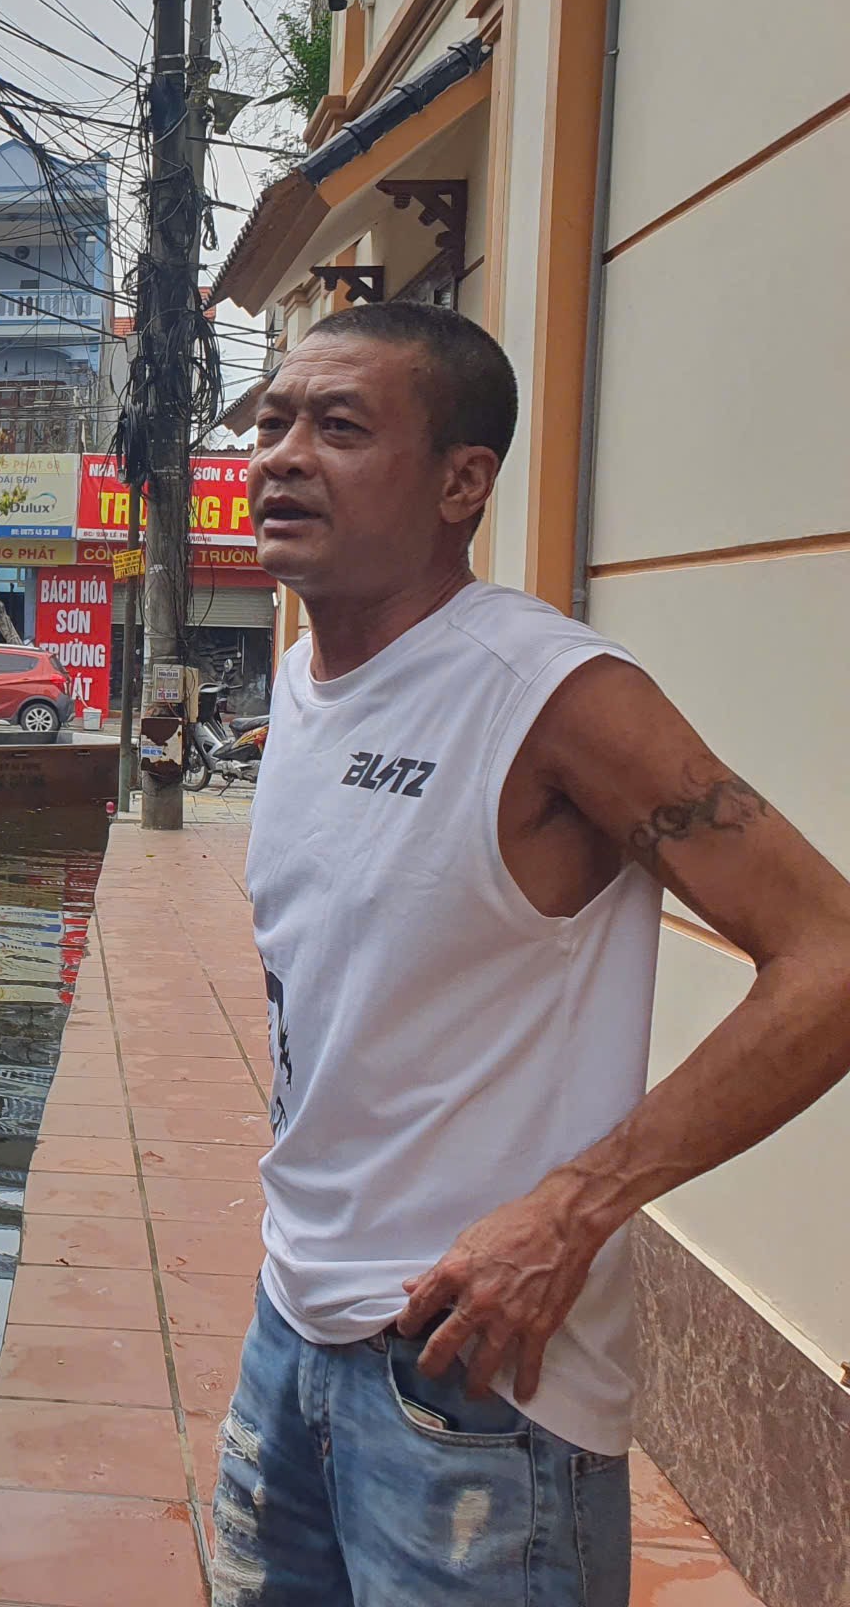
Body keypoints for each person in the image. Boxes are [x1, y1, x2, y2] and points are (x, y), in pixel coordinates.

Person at [217, 301, 850, 1606]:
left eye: (339, 427)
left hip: (474, 1390)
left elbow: (830, 956)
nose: (282, 454)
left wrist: (573, 1211)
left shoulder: (550, 697)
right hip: (291, 1334)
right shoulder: (299, 680)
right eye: (273, 420)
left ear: (463, 483)